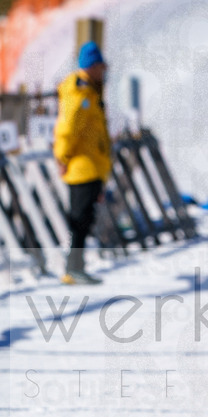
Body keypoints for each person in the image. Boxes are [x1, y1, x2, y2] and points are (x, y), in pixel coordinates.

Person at [53, 40, 111, 285]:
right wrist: (63, 157)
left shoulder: (89, 91)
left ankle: (77, 266)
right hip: (81, 168)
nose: (102, 71)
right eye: (99, 66)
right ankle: (72, 268)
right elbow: (68, 129)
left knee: (85, 220)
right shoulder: (79, 93)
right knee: (79, 220)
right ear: (91, 66)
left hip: (92, 167)